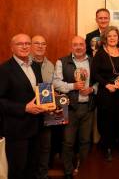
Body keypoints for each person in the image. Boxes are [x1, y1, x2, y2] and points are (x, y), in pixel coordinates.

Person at [0, 33, 45, 179]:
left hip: (36, 127)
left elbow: (40, 92)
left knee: (32, 168)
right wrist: (24, 108)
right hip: (17, 130)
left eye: (27, 43)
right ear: (12, 47)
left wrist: (50, 101)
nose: (25, 46)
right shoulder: (4, 70)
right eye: (20, 44)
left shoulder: (36, 66)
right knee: (18, 170)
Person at [53, 36, 95, 179]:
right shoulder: (62, 61)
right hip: (70, 108)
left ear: (85, 46)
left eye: (81, 44)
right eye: (75, 45)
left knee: (85, 141)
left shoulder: (92, 61)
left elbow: (98, 81)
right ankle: (68, 171)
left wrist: (92, 89)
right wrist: (73, 86)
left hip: (88, 108)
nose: (78, 47)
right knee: (68, 142)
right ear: (71, 46)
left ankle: (83, 169)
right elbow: (56, 83)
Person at [91, 26, 119, 161]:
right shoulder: (100, 54)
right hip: (107, 92)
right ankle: (107, 147)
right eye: (110, 36)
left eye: (115, 36)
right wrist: (106, 84)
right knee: (106, 120)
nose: (113, 38)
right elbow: (94, 73)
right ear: (105, 38)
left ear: (118, 37)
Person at [31, 35, 55, 179]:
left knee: (46, 146)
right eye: (37, 43)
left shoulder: (51, 65)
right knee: (32, 146)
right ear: (31, 46)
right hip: (30, 113)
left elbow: (51, 88)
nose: (40, 46)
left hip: (47, 113)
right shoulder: (25, 65)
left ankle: (43, 174)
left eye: (43, 44)